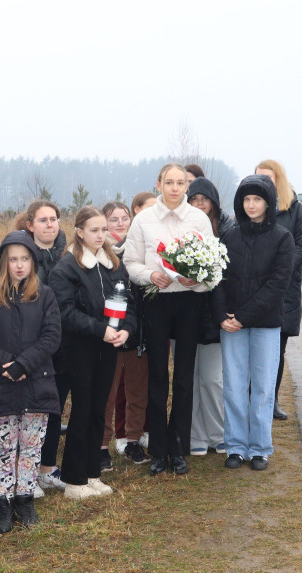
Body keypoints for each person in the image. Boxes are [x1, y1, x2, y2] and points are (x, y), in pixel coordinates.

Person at [124, 163, 213, 476]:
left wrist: (197, 280)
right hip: (156, 303)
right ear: (158, 184)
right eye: (169, 182)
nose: (175, 188)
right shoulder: (144, 220)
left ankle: (179, 447)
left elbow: (211, 266)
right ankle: (158, 449)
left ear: (186, 186)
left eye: (180, 183)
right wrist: (150, 274)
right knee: (158, 377)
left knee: (185, 377)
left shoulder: (199, 219)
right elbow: (131, 262)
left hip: (189, 302)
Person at [0, 230, 61, 532]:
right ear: (3, 263)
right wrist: (4, 364)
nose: (19, 265)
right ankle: (4, 504)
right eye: (13, 260)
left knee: (31, 447)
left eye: (25, 259)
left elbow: (52, 337)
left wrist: (24, 363)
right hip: (1, 384)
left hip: (37, 383)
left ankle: (25, 499)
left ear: (32, 262)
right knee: (5, 448)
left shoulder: (45, 295)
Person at [49, 207, 136, 500]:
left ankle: (91, 474)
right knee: (83, 411)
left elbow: (129, 302)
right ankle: (74, 481)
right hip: (78, 349)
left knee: (99, 408)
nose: (101, 235)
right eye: (95, 230)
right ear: (80, 232)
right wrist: (99, 329)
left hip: (109, 346)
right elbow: (64, 312)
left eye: (104, 230)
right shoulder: (67, 267)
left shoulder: (113, 263)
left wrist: (126, 330)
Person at [211, 175, 293, 471]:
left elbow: (277, 285)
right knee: (233, 385)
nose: (251, 205)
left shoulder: (283, 238)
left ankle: (259, 447)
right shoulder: (229, 237)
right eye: (246, 199)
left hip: (265, 324)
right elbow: (216, 279)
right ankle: (235, 445)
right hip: (230, 323)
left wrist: (244, 317)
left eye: (257, 199)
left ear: (269, 202)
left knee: (262, 386)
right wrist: (222, 316)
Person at [16, 200, 69, 494]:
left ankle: (47, 467)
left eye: (54, 219)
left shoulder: (67, 254)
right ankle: (27, 470)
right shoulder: (22, 256)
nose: (50, 224)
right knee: (29, 408)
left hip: (61, 343)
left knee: (54, 406)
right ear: (30, 225)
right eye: (43, 220)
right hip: (30, 344)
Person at [255, 159, 302, 421]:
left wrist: (278, 271)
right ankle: (250, 398)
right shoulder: (251, 206)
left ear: (279, 179)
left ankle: (272, 399)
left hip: (284, 289)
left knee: (277, 349)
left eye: (269, 177)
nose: (265, 182)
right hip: (252, 289)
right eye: (259, 177)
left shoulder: (295, 211)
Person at [186, 177, 237, 457]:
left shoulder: (228, 230)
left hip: (216, 313)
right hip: (187, 312)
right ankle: (195, 435)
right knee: (189, 378)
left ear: (214, 202)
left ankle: (218, 433)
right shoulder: (182, 228)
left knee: (213, 379)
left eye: (204, 199)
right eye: (193, 199)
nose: (199, 204)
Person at [99, 201, 150, 467]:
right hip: (107, 333)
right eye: (113, 219)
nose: (120, 224)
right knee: (107, 392)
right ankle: (102, 445)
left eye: (124, 218)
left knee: (137, 391)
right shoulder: (98, 252)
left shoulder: (139, 246)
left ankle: (132, 441)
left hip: (136, 332)